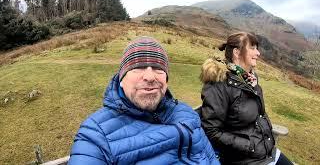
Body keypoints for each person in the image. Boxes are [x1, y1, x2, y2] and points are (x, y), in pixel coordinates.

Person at [69, 36, 220, 164]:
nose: (150, 77)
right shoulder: (96, 136)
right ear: (121, 79)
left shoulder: (186, 113)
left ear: (166, 79)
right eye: (138, 68)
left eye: (158, 69)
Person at [198, 32, 293, 165]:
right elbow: (211, 131)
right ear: (237, 52)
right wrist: (249, 146)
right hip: (245, 158)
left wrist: (255, 88)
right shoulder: (219, 84)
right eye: (253, 48)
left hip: (266, 151)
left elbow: (259, 115)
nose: (258, 53)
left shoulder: (249, 79)